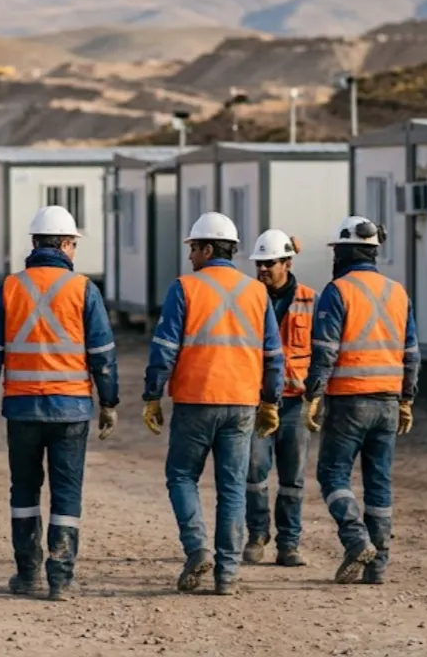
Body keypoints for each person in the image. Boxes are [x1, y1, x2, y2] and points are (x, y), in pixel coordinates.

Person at [0, 204, 119, 601]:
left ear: (35, 243)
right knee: (67, 492)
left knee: (24, 489)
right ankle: (60, 578)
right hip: (71, 409)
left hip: (22, 409)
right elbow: (103, 354)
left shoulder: (9, 287)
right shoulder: (84, 289)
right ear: (68, 244)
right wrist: (109, 402)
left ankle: (27, 574)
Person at [142, 211, 284, 596]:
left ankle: (197, 548)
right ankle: (227, 575)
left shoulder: (185, 288)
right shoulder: (256, 292)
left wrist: (153, 394)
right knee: (233, 487)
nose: (190, 257)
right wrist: (271, 400)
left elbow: (165, 348)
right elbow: (273, 354)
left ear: (208, 248)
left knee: (182, 476)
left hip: (196, 400)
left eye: (193, 249)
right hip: (241, 403)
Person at [305, 215, 420, 585]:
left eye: (337, 250)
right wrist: (406, 399)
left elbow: (324, 349)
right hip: (387, 402)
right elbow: (411, 353)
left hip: (349, 400)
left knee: (332, 474)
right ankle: (378, 566)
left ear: (348, 251)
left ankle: (356, 539)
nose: (334, 257)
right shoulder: (397, 292)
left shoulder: (338, 291)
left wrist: (314, 394)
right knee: (379, 483)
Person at [243, 229, 316, 567]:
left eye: (268, 263)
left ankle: (289, 544)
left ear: (286, 262)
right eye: (258, 263)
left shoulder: (310, 300)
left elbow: (324, 350)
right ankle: (257, 536)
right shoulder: (248, 299)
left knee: (293, 477)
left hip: (296, 402)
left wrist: (318, 394)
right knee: (254, 471)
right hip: (257, 399)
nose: (261, 269)